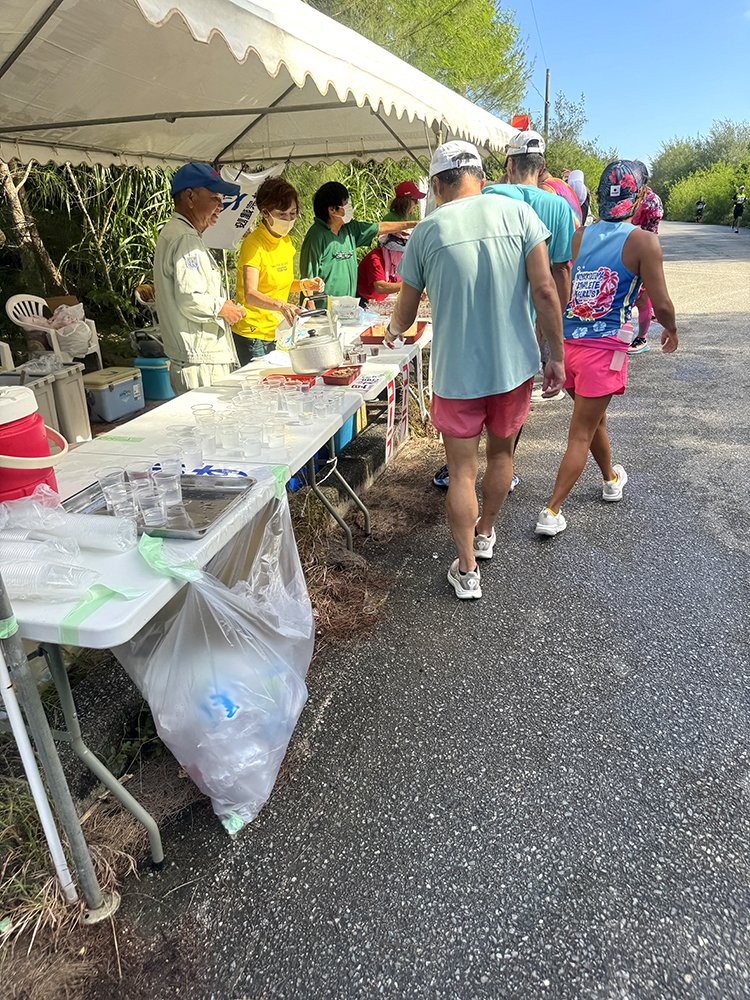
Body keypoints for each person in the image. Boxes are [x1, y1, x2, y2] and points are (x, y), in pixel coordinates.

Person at [385, 140, 564, 600]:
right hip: (513, 369)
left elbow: (405, 317)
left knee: (462, 472)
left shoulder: (427, 231)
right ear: (482, 179)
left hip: (457, 374)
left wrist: (391, 330)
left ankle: (467, 570)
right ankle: (486, 531)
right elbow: (545, 291)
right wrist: (556, 356)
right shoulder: (520, 216)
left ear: (438, 185)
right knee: (502, 457)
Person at [535, 160, 679, 538]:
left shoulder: (580, 236)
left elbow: (563, 282)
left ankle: (611, 478)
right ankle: (551, 511)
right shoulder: (643, 241)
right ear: (638, 198)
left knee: (593, 419)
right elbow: (661, 304)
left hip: (568, 347)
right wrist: (672, 328)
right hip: (605, 350)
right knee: (581, 431)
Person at [431, 129, 576, 491]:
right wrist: (559, 328)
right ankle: (503, 469)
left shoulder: (491, 195)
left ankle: (460, 468)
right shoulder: (558, 207)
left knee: (468, 407)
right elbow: (558, 273)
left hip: (479, 319)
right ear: (542, 168)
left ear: (508, 165)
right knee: (507, 419)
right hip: (528, 323)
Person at [153, 162, 245, 394]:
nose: (220, 206)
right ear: (190, 197)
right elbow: (190, 298)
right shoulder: (185, 238)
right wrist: (223, 307)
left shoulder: (179, 233)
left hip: (195, 358)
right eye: (214, 198)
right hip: (200, 361)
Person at [231, 176, 324, 365]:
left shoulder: (285, 241)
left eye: (293, 213)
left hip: (277, 330)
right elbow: (250, 294)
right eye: (282, 214)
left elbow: (283, 284)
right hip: (253, 333)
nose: (289, 220)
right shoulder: (253, 244)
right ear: (265, 212)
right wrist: (282, 306)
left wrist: (305, 284)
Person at [299, 182, 417, 297]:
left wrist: (412, 224)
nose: (349, 207)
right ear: (332, 210)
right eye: (345, 204)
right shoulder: (316, 236)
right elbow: (308, 280)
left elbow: (379, 227)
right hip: (324, 311)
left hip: (347, 307)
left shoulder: (349, 229)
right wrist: (313, 314)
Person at [628, 186, 664, 354]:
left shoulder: (649, 199)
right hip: (634, 247)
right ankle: (633, 335)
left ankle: (641, 338)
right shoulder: (635, 196)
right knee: (634, 295)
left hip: (642, 248)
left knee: (641, 296)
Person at [356, 233, 408, 306]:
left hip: (380, 301)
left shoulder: (401, 262)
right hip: (362, 301)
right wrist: (411, 287)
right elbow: (380, 287)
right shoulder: (376, 258)